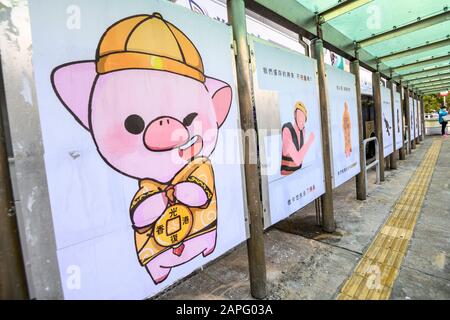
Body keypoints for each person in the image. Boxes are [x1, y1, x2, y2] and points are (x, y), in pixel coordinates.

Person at [280, 102, 315, 175]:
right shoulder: (287, 129)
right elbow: (298, 160)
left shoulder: (303, 130)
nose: (301, 120)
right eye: (299, 116)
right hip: (286, 175)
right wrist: (309, 141)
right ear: (295, 116)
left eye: (303, 117)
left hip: (298, 173)